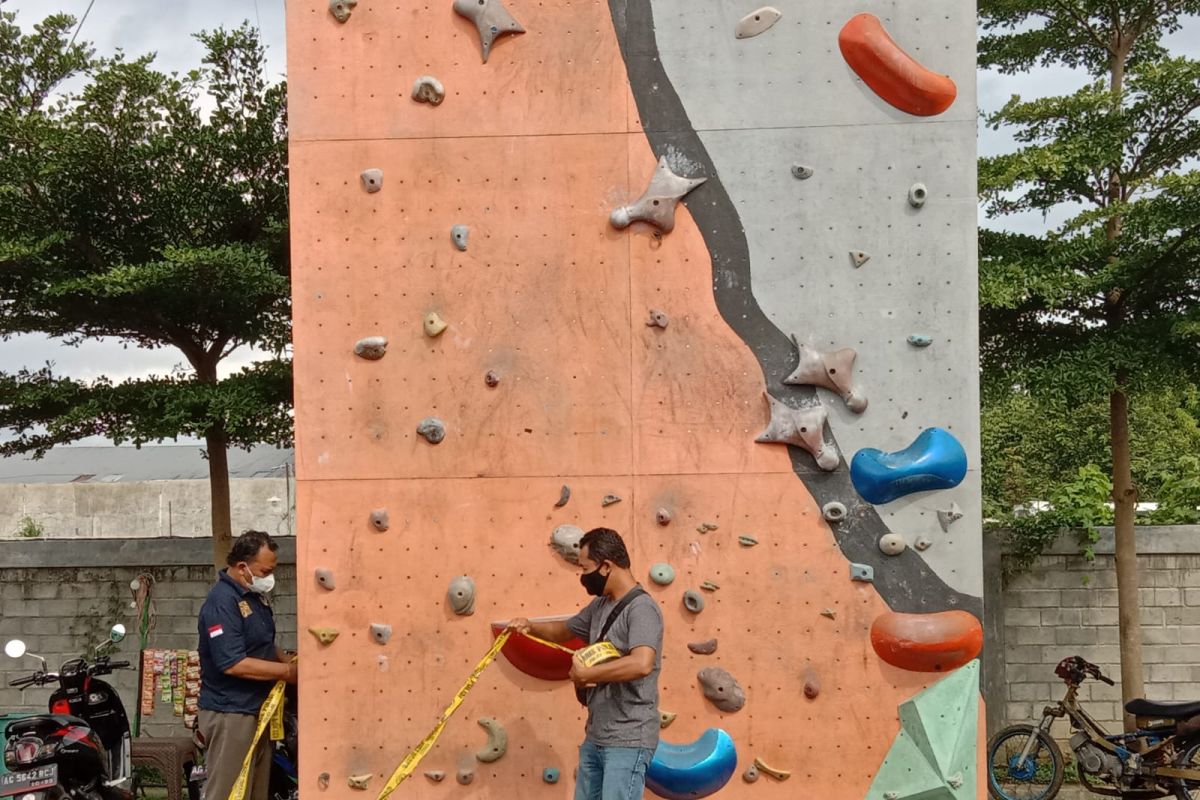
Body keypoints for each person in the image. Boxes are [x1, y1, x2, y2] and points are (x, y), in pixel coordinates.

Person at [509, 527, 663, 800]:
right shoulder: (601, 606)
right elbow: (563, 631)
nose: (582, 577)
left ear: (605, 567)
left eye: (585, 568)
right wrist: (530, 626)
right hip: (596, 737)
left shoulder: (642, 609)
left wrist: (587, 674)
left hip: (628, 739)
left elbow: (641, 664)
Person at [197, 530, 296, 800]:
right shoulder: (222, 603)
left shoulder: (253, 598)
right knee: (227, 792)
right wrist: (288, 673)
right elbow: (233, 663)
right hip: (231, 712)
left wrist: (288, 661)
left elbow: (263, 643)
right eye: (265, 571)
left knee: (255, 792)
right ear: (242, 567)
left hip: (257, 709)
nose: (270, 577)